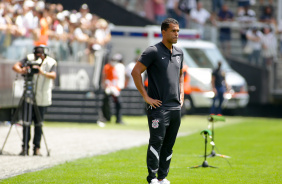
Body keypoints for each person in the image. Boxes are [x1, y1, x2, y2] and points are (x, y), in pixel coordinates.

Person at [131, 18, 184, 184]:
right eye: (173, 31)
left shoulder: (179, 52)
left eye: (177, 31)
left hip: (175, 108)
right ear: (164, 31)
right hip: (158, 108)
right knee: (156, 142)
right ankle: (152, 178)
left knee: (169, 145)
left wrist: (181, 94)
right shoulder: (152, 51)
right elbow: (135, 72)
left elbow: (181, 75)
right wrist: (146, 97)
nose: (176, 34)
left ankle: (162, 177)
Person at [12, 45, 57, 156]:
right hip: (29, 96)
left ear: (45, 55)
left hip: (42, 98)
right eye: (36, 55)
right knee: (26, 123)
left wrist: (42, 72)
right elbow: (15, 66)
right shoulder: (29, 58)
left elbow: (54, 75)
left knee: (38, 124)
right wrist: (23, 70)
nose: (38, 58)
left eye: (40, 55)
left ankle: (36, 148)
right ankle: (24, 148)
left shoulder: (51, 62)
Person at [97, 53, 125, 127]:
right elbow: (105, 77)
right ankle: (106, 118)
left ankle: (118, 119)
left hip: (115, 88)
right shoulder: (107, 67)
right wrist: (105, 86)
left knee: (118, 103)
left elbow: (116, 79)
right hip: (108, 87)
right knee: (106, 104)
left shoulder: (117, 67)